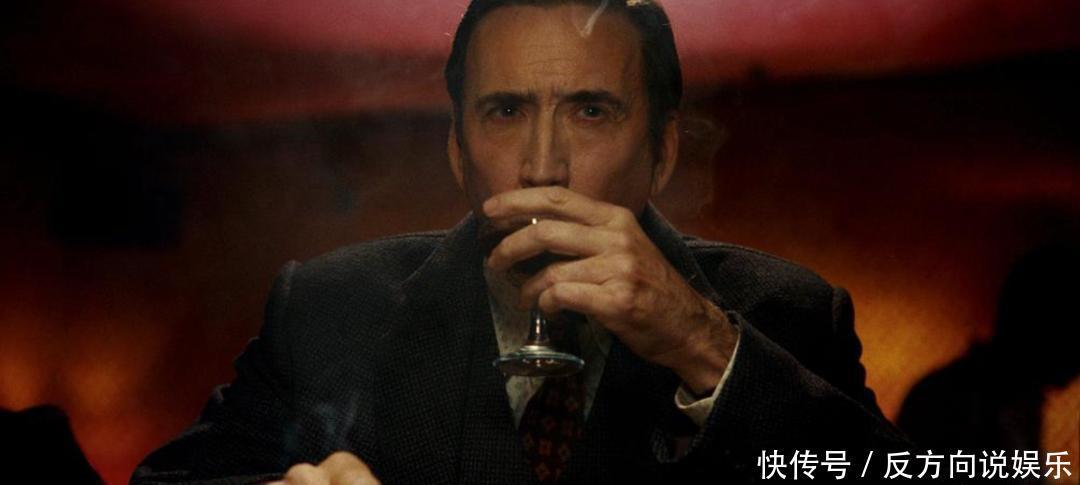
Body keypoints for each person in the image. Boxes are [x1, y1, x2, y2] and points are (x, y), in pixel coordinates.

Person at [133, 1, 910, 483]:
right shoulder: (330, 305)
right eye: (505, 112)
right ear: (457, 151)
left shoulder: (787, 312)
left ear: (663, 152)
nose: (543, 166)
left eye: (591, 111)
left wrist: (704, 345)